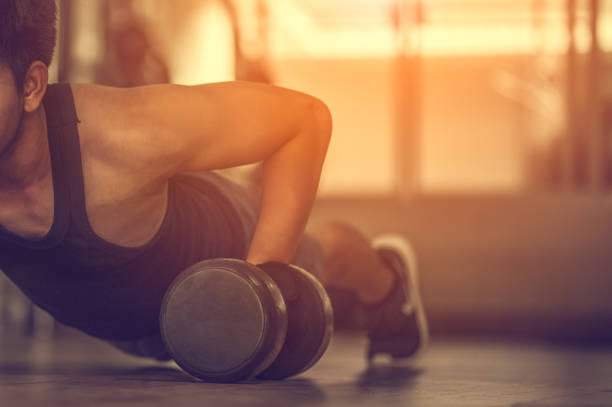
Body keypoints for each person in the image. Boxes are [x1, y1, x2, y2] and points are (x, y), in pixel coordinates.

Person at [0, 0, 427, 365]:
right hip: (135, 331)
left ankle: (384, 279)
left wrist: (261, 287)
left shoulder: (126, 134)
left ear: (32, 86)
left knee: (321, 254)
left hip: (227, 251)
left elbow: (304, 120)